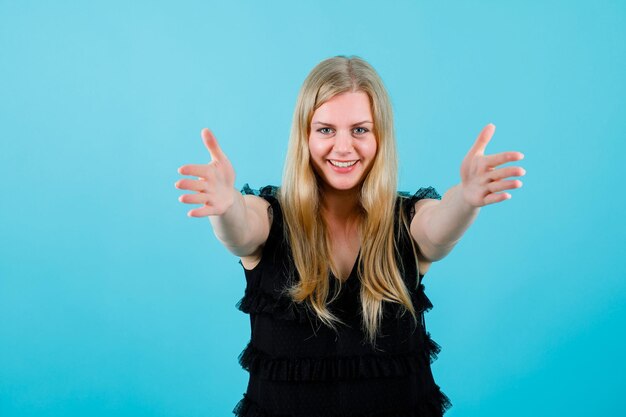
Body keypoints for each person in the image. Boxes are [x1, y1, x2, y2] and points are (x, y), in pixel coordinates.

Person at [175, 56, 525, 417]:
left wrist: (466, 200)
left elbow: (438, 230)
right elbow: (241, 230)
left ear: (380, 136)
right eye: (326, 129)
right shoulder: (268, 217)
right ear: (304, 135)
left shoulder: (408, 219)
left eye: (360, 130)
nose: (343, 148)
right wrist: (225, 206)